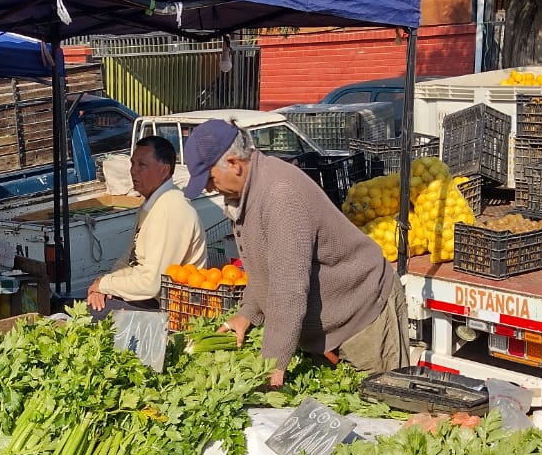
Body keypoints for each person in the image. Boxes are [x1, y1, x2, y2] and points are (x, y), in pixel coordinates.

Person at [183, 119, 407, 385]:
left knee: (380, 411)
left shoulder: (280, 195)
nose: (209, 188)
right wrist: (248, 313)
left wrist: (273, 365)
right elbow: (265, 264)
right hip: (329, 326)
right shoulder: (245, 192)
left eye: (209, 178)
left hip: (364, 315)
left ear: (233, 164)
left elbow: (288, 286)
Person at [86, 136, 207, 316]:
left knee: (94, 313)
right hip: (151, 299)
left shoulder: (171, 209)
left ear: (164, 170)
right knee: (90, 304)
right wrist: (105, 284)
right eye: (132, 164)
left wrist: (104, 285)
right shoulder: (152, 204)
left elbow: (152, 283)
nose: (133, 171)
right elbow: (130, 258)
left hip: (173, 310)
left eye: (142, 165)